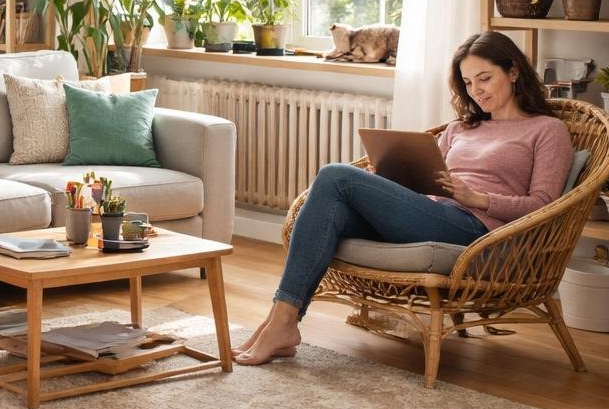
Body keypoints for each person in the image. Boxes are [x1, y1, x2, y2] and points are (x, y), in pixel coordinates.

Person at [236, 31, 575, 365]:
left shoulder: (547, 130)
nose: (477, 91)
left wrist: (479, 198)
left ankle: (279, 323)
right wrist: (386, 179)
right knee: (333, 201)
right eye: (469, 83)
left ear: (513, 71)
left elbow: (544, 205)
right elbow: (428, 185)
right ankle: (283, 321)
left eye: (484, 78)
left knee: (334, 174)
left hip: (476, 230)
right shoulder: (460, 128)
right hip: (433, 213)